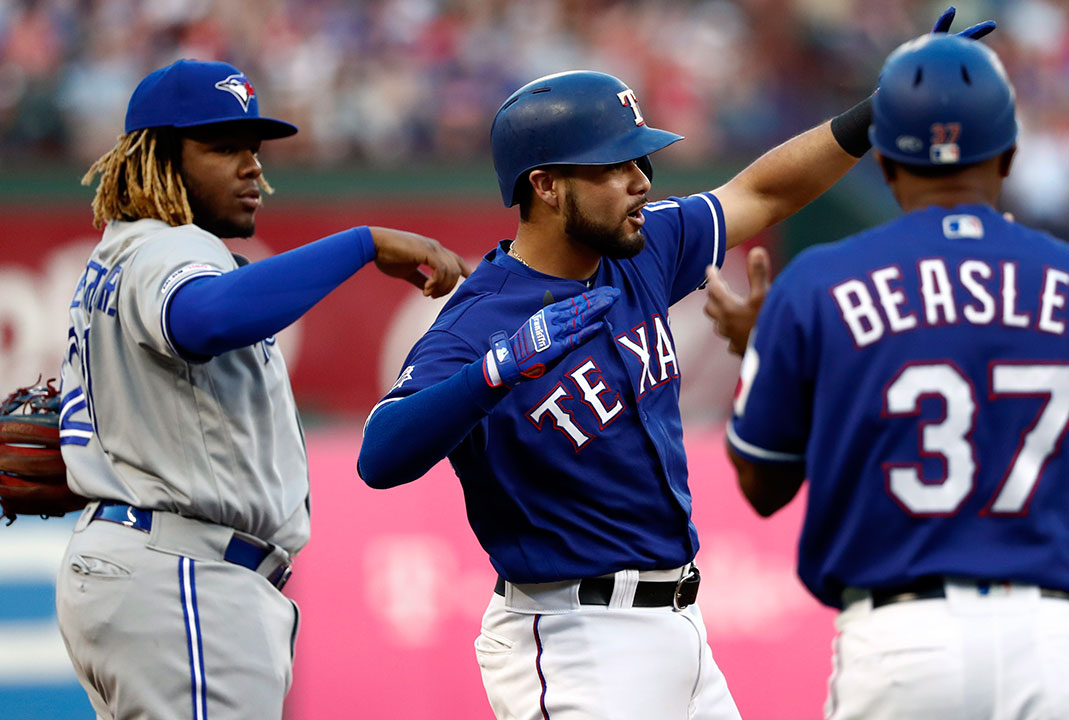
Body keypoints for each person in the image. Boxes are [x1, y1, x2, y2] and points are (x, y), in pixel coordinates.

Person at [356, 11, 994, 718]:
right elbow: (380, 456)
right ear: (545, 185)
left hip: (682, 624)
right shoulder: (481, 321)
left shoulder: (643, 250)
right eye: (615, 165)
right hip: (573, 637)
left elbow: (763, 191)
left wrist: (878, 111)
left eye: (641, 162)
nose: (640, 181)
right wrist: (494, 371)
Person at [719, 34, 1069, 719]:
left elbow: (763, 485)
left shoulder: (817, 284)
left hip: (901, 641)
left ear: (888, 165)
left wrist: (769, 353)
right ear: (1010, 155)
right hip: (1057, 640)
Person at [53, 59, 469, 719]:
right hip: (183, 574)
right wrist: (362, 244)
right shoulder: (168, 248)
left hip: (150, 567)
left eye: (252, 148)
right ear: (157, 156)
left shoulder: (119, 253)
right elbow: (208, 318)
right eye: (221, 148)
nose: (251, 166)